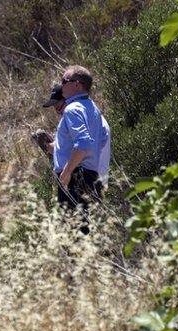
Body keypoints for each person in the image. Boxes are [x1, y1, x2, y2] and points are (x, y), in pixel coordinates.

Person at [47, 66, 110, 233]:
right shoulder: (93, 108)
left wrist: (66, 173)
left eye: (64, 81)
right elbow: (100, 139)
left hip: (75, 177)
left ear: (77, 85)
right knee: (87, 233)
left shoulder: (72, 109)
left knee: (73, 236)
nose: (62, 85)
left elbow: (83, 143)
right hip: (91, 176)